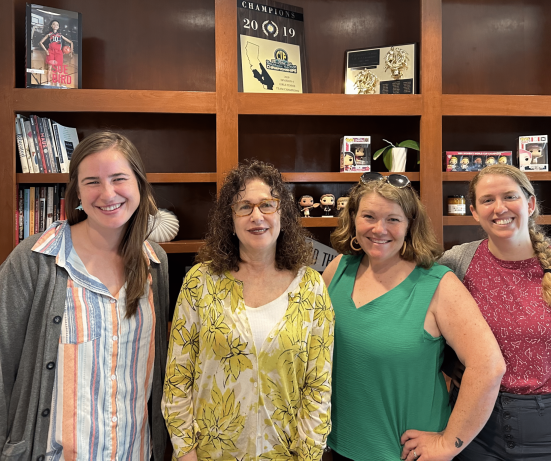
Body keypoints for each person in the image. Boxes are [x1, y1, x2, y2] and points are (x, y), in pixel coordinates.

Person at [0, 131, 170, 459]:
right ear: (76, 191)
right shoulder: (35, 260)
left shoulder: (156, 263)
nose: (108, 194)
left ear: (139, 184)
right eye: (92, 181)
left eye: (119, 178)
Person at [322, 172, 505, 461]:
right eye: (368, 216)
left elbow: (489, 367)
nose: (379, 229)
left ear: (410, 225)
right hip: (339, 448)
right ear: (353, 218)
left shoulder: (437, 283)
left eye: (393, 219)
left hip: (405, 455)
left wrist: (448, 443)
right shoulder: (337, 270)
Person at [162, 160, 334, 460]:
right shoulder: (200, 281)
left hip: (284, 454)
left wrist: (309, 455)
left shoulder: (311, 287)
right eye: (244, 207)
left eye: (267, 205)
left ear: (283, 213)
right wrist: (185, 451)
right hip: (208, 455)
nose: (257, 216)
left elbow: (317, 387)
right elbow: (178, 378)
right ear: (230, 218)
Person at [439, 164, 551, 460]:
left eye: (509, 196)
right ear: (474, 211)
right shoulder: (456, 263)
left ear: (530, 203)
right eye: (487, 200)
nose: (499, 208)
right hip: (478, 431)